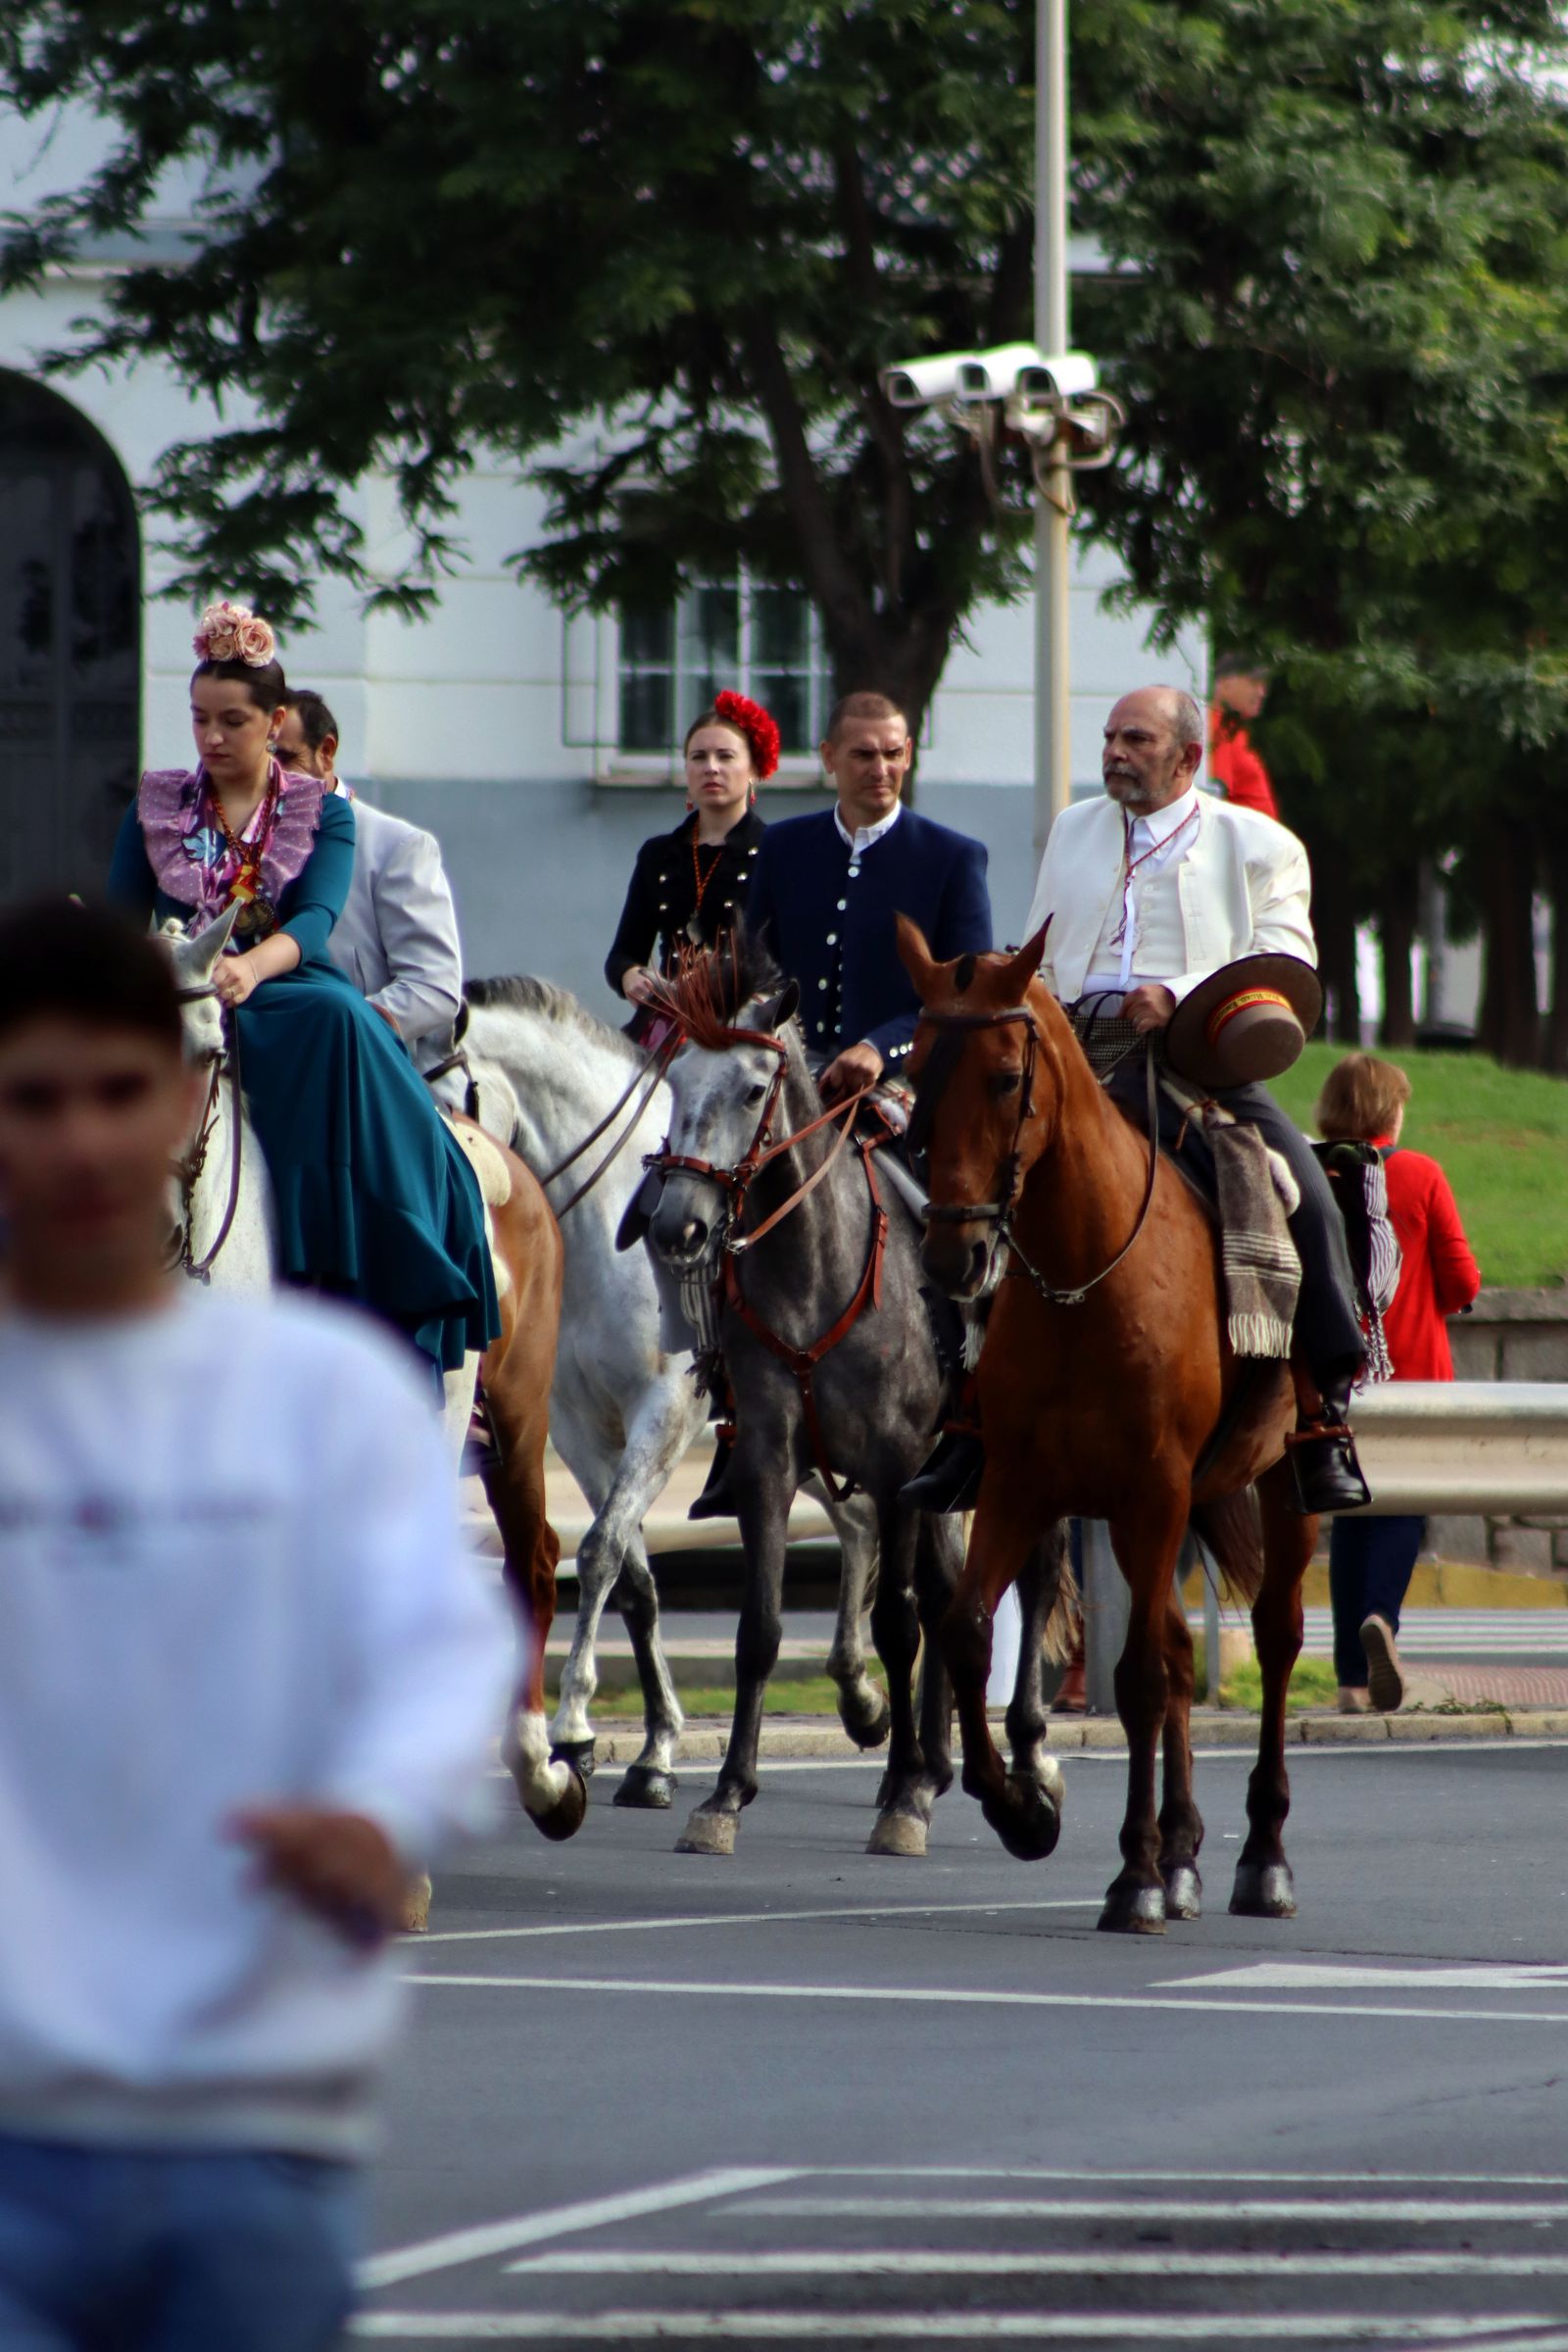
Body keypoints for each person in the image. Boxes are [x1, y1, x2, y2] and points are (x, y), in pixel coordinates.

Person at [0, 898, 514, 2352]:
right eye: (34, 1100)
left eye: (117, 1093)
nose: (83, 1141)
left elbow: (439, 1647)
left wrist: (378, 1799)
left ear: (182, 1100)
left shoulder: (321, 1395)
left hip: (250, 2137)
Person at [107, 601, 497, 1390]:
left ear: (274, 720)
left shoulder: (324, 812)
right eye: (199, 720)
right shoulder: (157, 806)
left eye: (233, 721)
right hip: (184, 993)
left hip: (283, 989)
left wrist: (252, 968)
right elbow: (120, 915)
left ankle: (373, 1257)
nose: (212, 738)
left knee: (338, 1016)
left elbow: (317, 918)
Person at [1018, 683, 1370, 1517]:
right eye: (1109, 737)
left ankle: (1323, 1418)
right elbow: (1035, 948)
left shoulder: (1260, 844)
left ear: (1187, 758)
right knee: (957, 1181)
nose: (1114, 752)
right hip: (1073, 1055)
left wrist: (1178, 992)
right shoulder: (1073, 828)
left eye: (1135, 739)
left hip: (1198, 1058)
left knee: (1306, 1195)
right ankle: (963, 1416)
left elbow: (1287, 956)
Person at [1315, 1052, 1481, 1711]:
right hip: (1414, 1375)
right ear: (1391, 1110)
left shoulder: (1311, 1171)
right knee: (1403, 1506)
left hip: (1334, 1379)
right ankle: (1382, 1618)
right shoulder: (1419, 1174)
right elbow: (1463, 1280)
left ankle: (1350, 1682)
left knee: (1351, 1516)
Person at [747, 690, 992, 1103]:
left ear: (908, 753)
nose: (881, 769)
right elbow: (755, 966)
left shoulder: (953, 857)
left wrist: (881, 1049)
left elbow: (965, 999)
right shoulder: (783, 845)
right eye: (863, 755)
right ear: (829, 757)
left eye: (892, 753)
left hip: (903, 1083)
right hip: (785, 1077)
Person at [275, 689, 464, 1072]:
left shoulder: (397, 846)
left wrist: (333, 1031)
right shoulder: (232, 844)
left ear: (326, 752)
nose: (272, 776)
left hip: (366, 1074)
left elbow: (434, 986)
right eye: (262, 760)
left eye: (286, 758)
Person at [607, 691, 772, 1043]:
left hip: (743, 1028)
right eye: (699, 757)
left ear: (754, 769)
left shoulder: (776, 850)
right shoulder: (658, 854)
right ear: (687, 770)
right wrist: (631, 976)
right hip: (668, 1022)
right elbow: (623, 954)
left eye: (725, 756)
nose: (711, 767)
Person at [1207, 655, 1281, 820]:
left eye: (1264, 685)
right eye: (1254, 683)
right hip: (1242, 841)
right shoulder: (1217, 728)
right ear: (1225, 683)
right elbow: (1216, 792)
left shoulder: (1229, 728)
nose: (1262, 693)